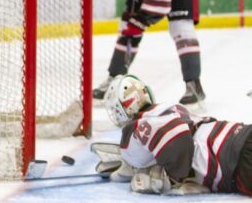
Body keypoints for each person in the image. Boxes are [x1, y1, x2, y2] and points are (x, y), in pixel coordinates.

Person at [100, 74, 252, 196]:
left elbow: (178, 137)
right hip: (240, 136)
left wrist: (173, 178)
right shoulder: (170, 107)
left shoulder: (141, 125)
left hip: (237, 160)